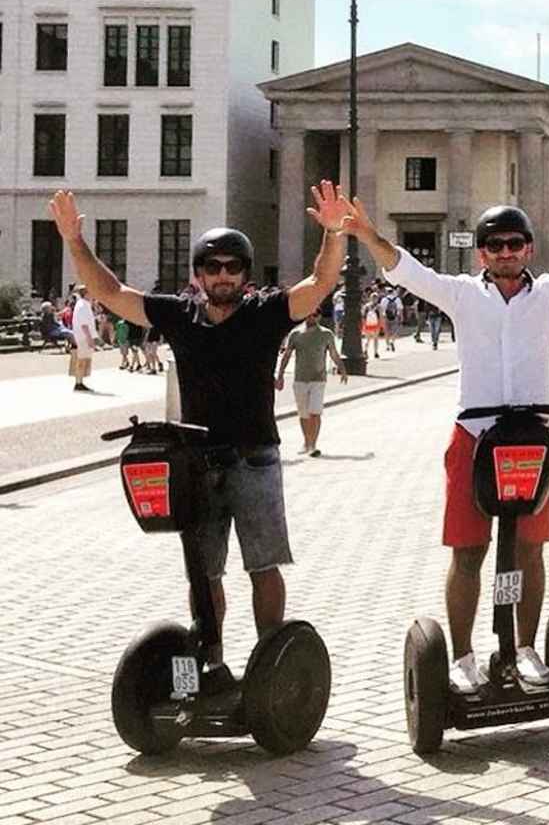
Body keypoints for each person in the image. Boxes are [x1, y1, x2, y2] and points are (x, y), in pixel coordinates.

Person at [345, 181, 549, 695]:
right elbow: (406, 269)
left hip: (530, 443)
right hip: (475, 436)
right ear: (482, 253)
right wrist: (368, 234)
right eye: (495, 245)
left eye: (515, 243)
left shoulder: (548, 294)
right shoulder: (461, 295)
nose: (506, 252)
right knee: (468, 551)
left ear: (529, 249)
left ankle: (525, 649)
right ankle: (462, 658)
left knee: (530, 549)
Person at [50, 183, 350, 671]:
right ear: (198, 274)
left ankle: (269, 665)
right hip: (197, 464)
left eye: (233, 267)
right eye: (213, 266)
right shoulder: (179, 315)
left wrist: (334, 233)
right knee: (204, 571)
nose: (223, 275)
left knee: (264, 566)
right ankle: (211, 662)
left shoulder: (265, 313)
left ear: (246, 275)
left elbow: (320, 282)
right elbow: (110, 293)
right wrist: (73, 240)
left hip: (255, 458)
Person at [276, 312, 344, 457]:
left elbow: (333, 353)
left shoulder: (326, 334)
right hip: (300, 379)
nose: (311, 317)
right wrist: (280, 375)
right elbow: (286, 355)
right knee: (303, 414)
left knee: (315, 412)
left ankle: (313, 445)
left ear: (319, 316)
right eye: (308, 314)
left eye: (315, 314)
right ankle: (306, 442)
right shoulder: (295, 334)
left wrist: (342, 369)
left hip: (318, 379)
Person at [69, 287, 99, 392]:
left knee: (83, 359)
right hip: (83, 337)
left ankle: (79, 382)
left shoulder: (84, 304)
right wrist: (89, 338)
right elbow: (84, 324)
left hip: (82, 336)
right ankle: (78, 383)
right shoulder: (83, 306)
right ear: (86, 294)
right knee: (81, 359)